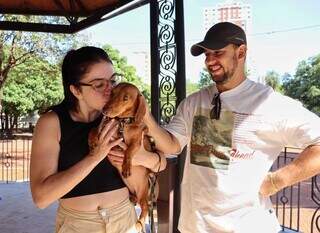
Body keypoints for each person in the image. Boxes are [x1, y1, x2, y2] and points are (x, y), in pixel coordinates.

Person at [143, 22, 320, 233]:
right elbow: (172, 145)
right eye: (207, 54)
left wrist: (277, 180)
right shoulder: (194, 102)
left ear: (241, 52)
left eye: (218, 52)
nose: (210, 60)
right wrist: (144, 115)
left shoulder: (269, 103)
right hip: (194, 227)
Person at [30, 46, 167, 233]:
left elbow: (162, 163)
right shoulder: (52, 122)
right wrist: (95, 156)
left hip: (125, 220)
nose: (110, 90)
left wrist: (143, 158)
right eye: (99, 84)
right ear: (76, 90)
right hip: (78, 225)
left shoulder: (121, 117)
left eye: (112, 81)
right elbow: (41, 198)